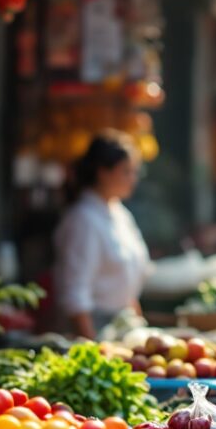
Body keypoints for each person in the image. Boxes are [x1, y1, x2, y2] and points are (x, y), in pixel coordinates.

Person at [53, 130, 150, 339]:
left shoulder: (120, 213)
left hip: (122, 327)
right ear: (103, 172)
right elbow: (75, 295)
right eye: (126, 171)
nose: (133, 179)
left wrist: (139, 331)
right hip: (94, 331)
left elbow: (127, 282)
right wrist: (95, 351)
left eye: (135, 172)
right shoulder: (83, 220)